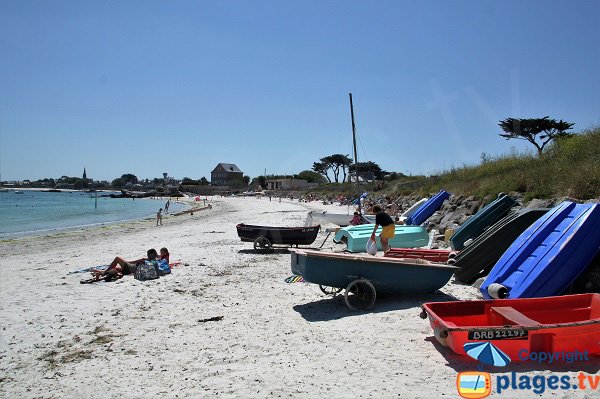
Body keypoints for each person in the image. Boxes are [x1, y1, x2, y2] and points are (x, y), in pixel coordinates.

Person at [82, 249, 159, 283]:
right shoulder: (155, 261)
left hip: (130, 268)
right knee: (115, 268)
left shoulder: (146, 260)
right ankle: (99, 272)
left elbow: (132, 262)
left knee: (117, 258)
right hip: (130, 270)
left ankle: (103, 272)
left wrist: (125, 262)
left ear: (150, 255)